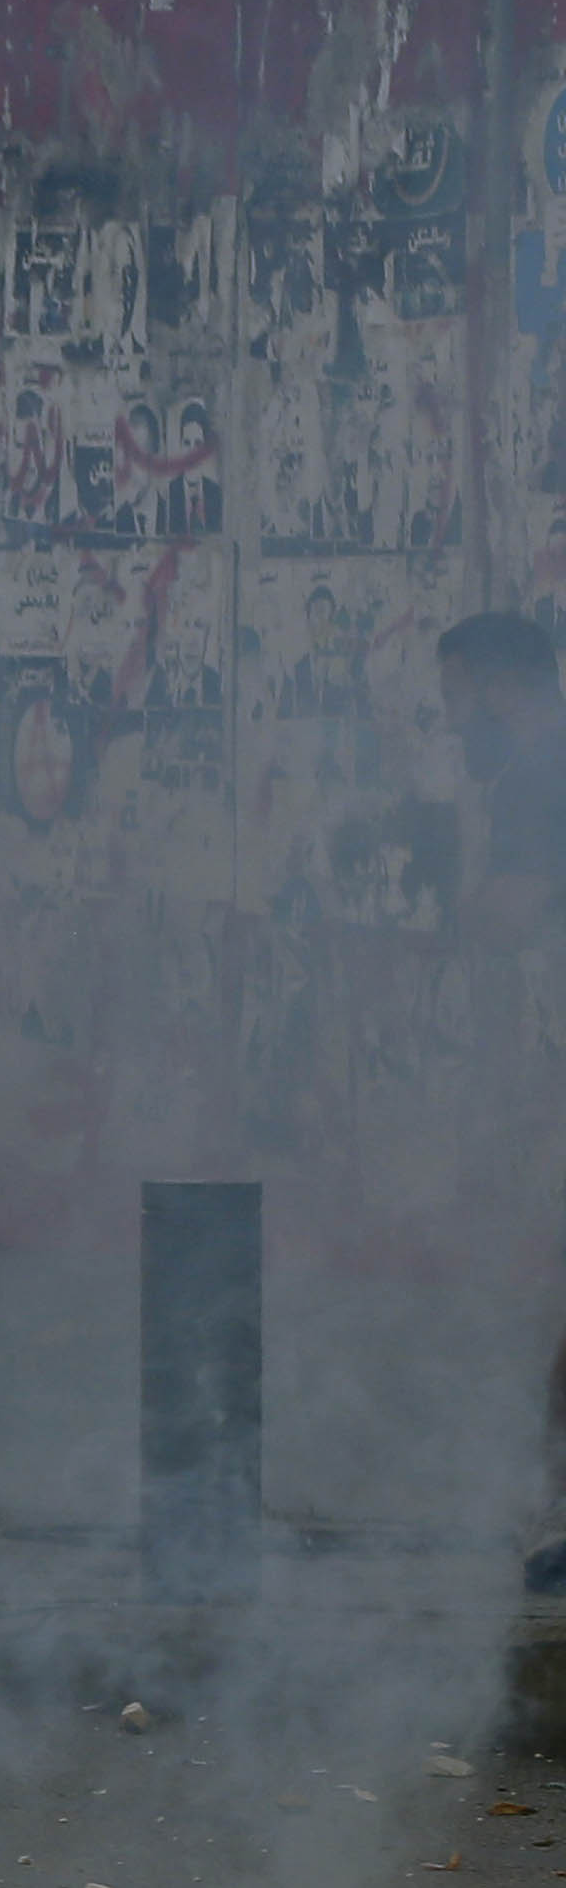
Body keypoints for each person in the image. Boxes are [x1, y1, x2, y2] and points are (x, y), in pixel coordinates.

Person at [438, 611, 566, 1596]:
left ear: (494, 684)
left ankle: (553, 1523)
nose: (451, 717)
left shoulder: (533, 774)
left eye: (455, 693)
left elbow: (513, 912)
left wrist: (446, 911)